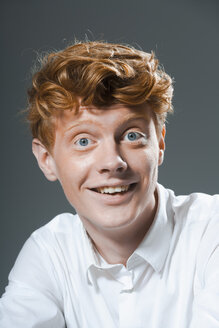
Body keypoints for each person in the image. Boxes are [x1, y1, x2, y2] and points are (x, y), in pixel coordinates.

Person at [0, 41, 219, 328]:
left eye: (131, 135)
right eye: (83, 141)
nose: (112, 162)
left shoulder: (211, 230)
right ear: (46, 159)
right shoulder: (48, 254)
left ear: (160, 143)